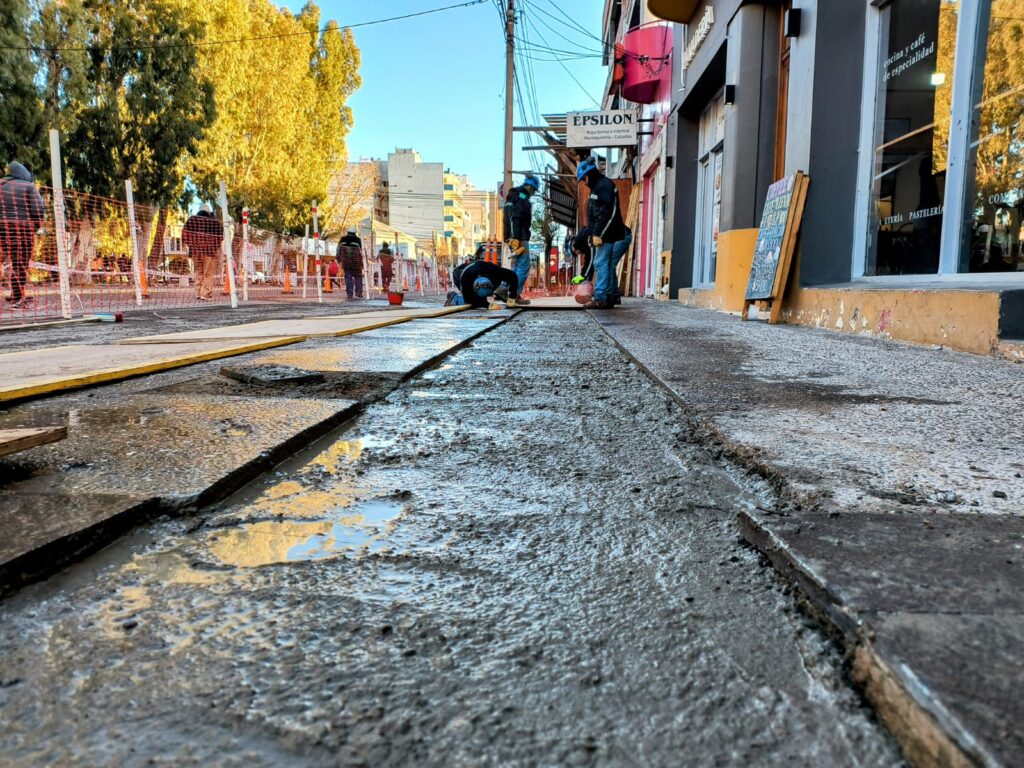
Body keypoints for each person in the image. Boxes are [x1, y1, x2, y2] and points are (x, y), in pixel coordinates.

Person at [577, 157, 626, 309]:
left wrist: (599, 234)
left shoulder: (603, 186)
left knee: (600, 263)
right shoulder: (599, 186)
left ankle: (600, 298)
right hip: (604, 232)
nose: (584, 182)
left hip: (606, 233)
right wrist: (593, 233)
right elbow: (597, 213)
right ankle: (609, 296)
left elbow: (607, 213)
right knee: (607, 264)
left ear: (589, 174)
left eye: (583, 178)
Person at [0, 161, 46, 308]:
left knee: (9, 261)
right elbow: (38, 209)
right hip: (22, 229)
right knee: (20, 263)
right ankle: (17, 298)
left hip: (2, 229)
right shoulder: (28, 186)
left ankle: (16, 295)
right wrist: (35, 227)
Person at [503, 174, 540, 305]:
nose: (533, 193)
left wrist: (510, 238)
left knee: (517, 266)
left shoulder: (513, 196)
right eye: (534, 190)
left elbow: (509, 219)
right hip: (520, 237)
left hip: (511, 237)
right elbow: (517, 218)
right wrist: (517, 238)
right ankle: (514, 294)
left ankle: (506, 290)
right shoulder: (521, 198)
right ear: (530, 187)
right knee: (524, 266)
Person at [181, 204, 223, 300]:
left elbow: (184, 235)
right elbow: (221, 237)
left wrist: (191, 245)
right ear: (209, 211)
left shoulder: (191, 220)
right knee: (208, 273)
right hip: (210, 252)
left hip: (195, 251)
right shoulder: (214, 222)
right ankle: (206, 294)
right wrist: (214, 246)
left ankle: (198, 293)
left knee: (198, 272)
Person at [445, 258, 522, 309]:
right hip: (459, 274)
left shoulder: (495, 272)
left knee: (480, 299)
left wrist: (512, 296)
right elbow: (469, 299)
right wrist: (487, 305)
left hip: (479, 269)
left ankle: (500, 294)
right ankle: (453, 297)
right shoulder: (466, 280)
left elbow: (513, 276)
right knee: (470, 303)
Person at [337, 229, 364, 298]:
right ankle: (358, 292)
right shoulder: (358, 240)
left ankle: (349, 293)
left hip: (346, 263)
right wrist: (363, 263)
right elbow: (362, 252)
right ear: (355, 233)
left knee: (348, 278)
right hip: (356, 263)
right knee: (358, 277)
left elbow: (338, 251)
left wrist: (339, 260)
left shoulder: (343, 239)